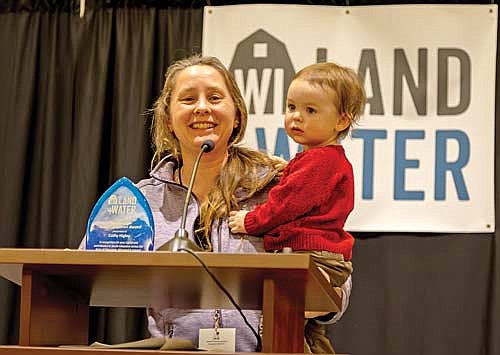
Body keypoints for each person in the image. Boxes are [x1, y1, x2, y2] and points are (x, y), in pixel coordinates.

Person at [81, 55, 352, 352]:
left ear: (236, 115)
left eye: (214, 97)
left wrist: (315, 303)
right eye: (187, 99)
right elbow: (77, 272)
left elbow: (336, 274)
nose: (202, 107)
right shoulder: (140, 202)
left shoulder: (278, 187)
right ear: (168, 119)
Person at [228, 61, 366, 352]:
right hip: (320, 257)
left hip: (311, 256)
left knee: (281, 328)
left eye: (310, 111)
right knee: (308, 335)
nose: (296, 117)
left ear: (341, 121)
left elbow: (286, 205)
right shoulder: (320, 159)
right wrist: (290, 168)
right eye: (291, 107)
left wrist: (249, 221)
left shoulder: (319, 161)